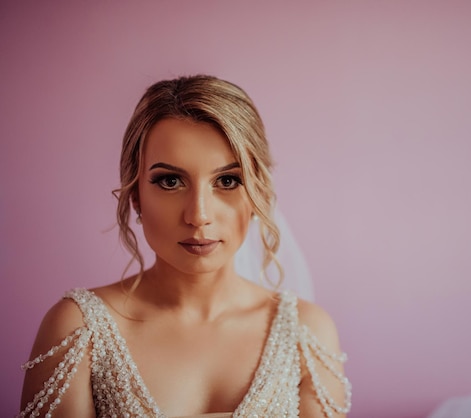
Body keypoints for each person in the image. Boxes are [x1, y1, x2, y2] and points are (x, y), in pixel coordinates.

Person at [19, 75, 351, 418]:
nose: (199, 216)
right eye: (170, 181)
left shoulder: (306, 333)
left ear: (259, 195)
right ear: (135, 196)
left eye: (227, 180)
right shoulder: (78, 329)